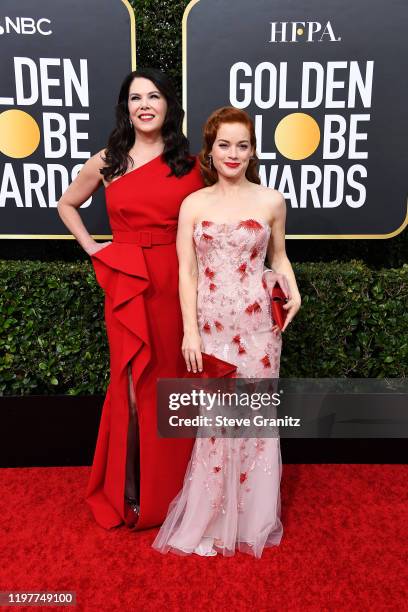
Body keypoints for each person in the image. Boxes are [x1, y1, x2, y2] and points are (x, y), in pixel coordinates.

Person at [57, 68, 204, 530]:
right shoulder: (108, 161)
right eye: (135, 97)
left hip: (179, 281)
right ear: (126, 107)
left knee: (176, 384)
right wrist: (93, 246)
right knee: (134, 386)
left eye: (154, 96)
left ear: (167, 105)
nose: (145, 104)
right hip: (127, 283)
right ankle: (134, 489)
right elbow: (66, 204)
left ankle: (182, 492)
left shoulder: (192, 164)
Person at [152, 106, 301, 558]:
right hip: (213, 328)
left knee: (254, 421)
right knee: (215, 423)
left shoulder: (272, 200)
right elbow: (187, 273)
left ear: (253, 151)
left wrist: (294, 291)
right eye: (225, 145)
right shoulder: (193, 205)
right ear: (210, 149)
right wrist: (190, 333)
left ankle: (251, 520)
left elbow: (279, 257)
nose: (233, 154)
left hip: (259, 329)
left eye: (243, 145)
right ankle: (213, 520)